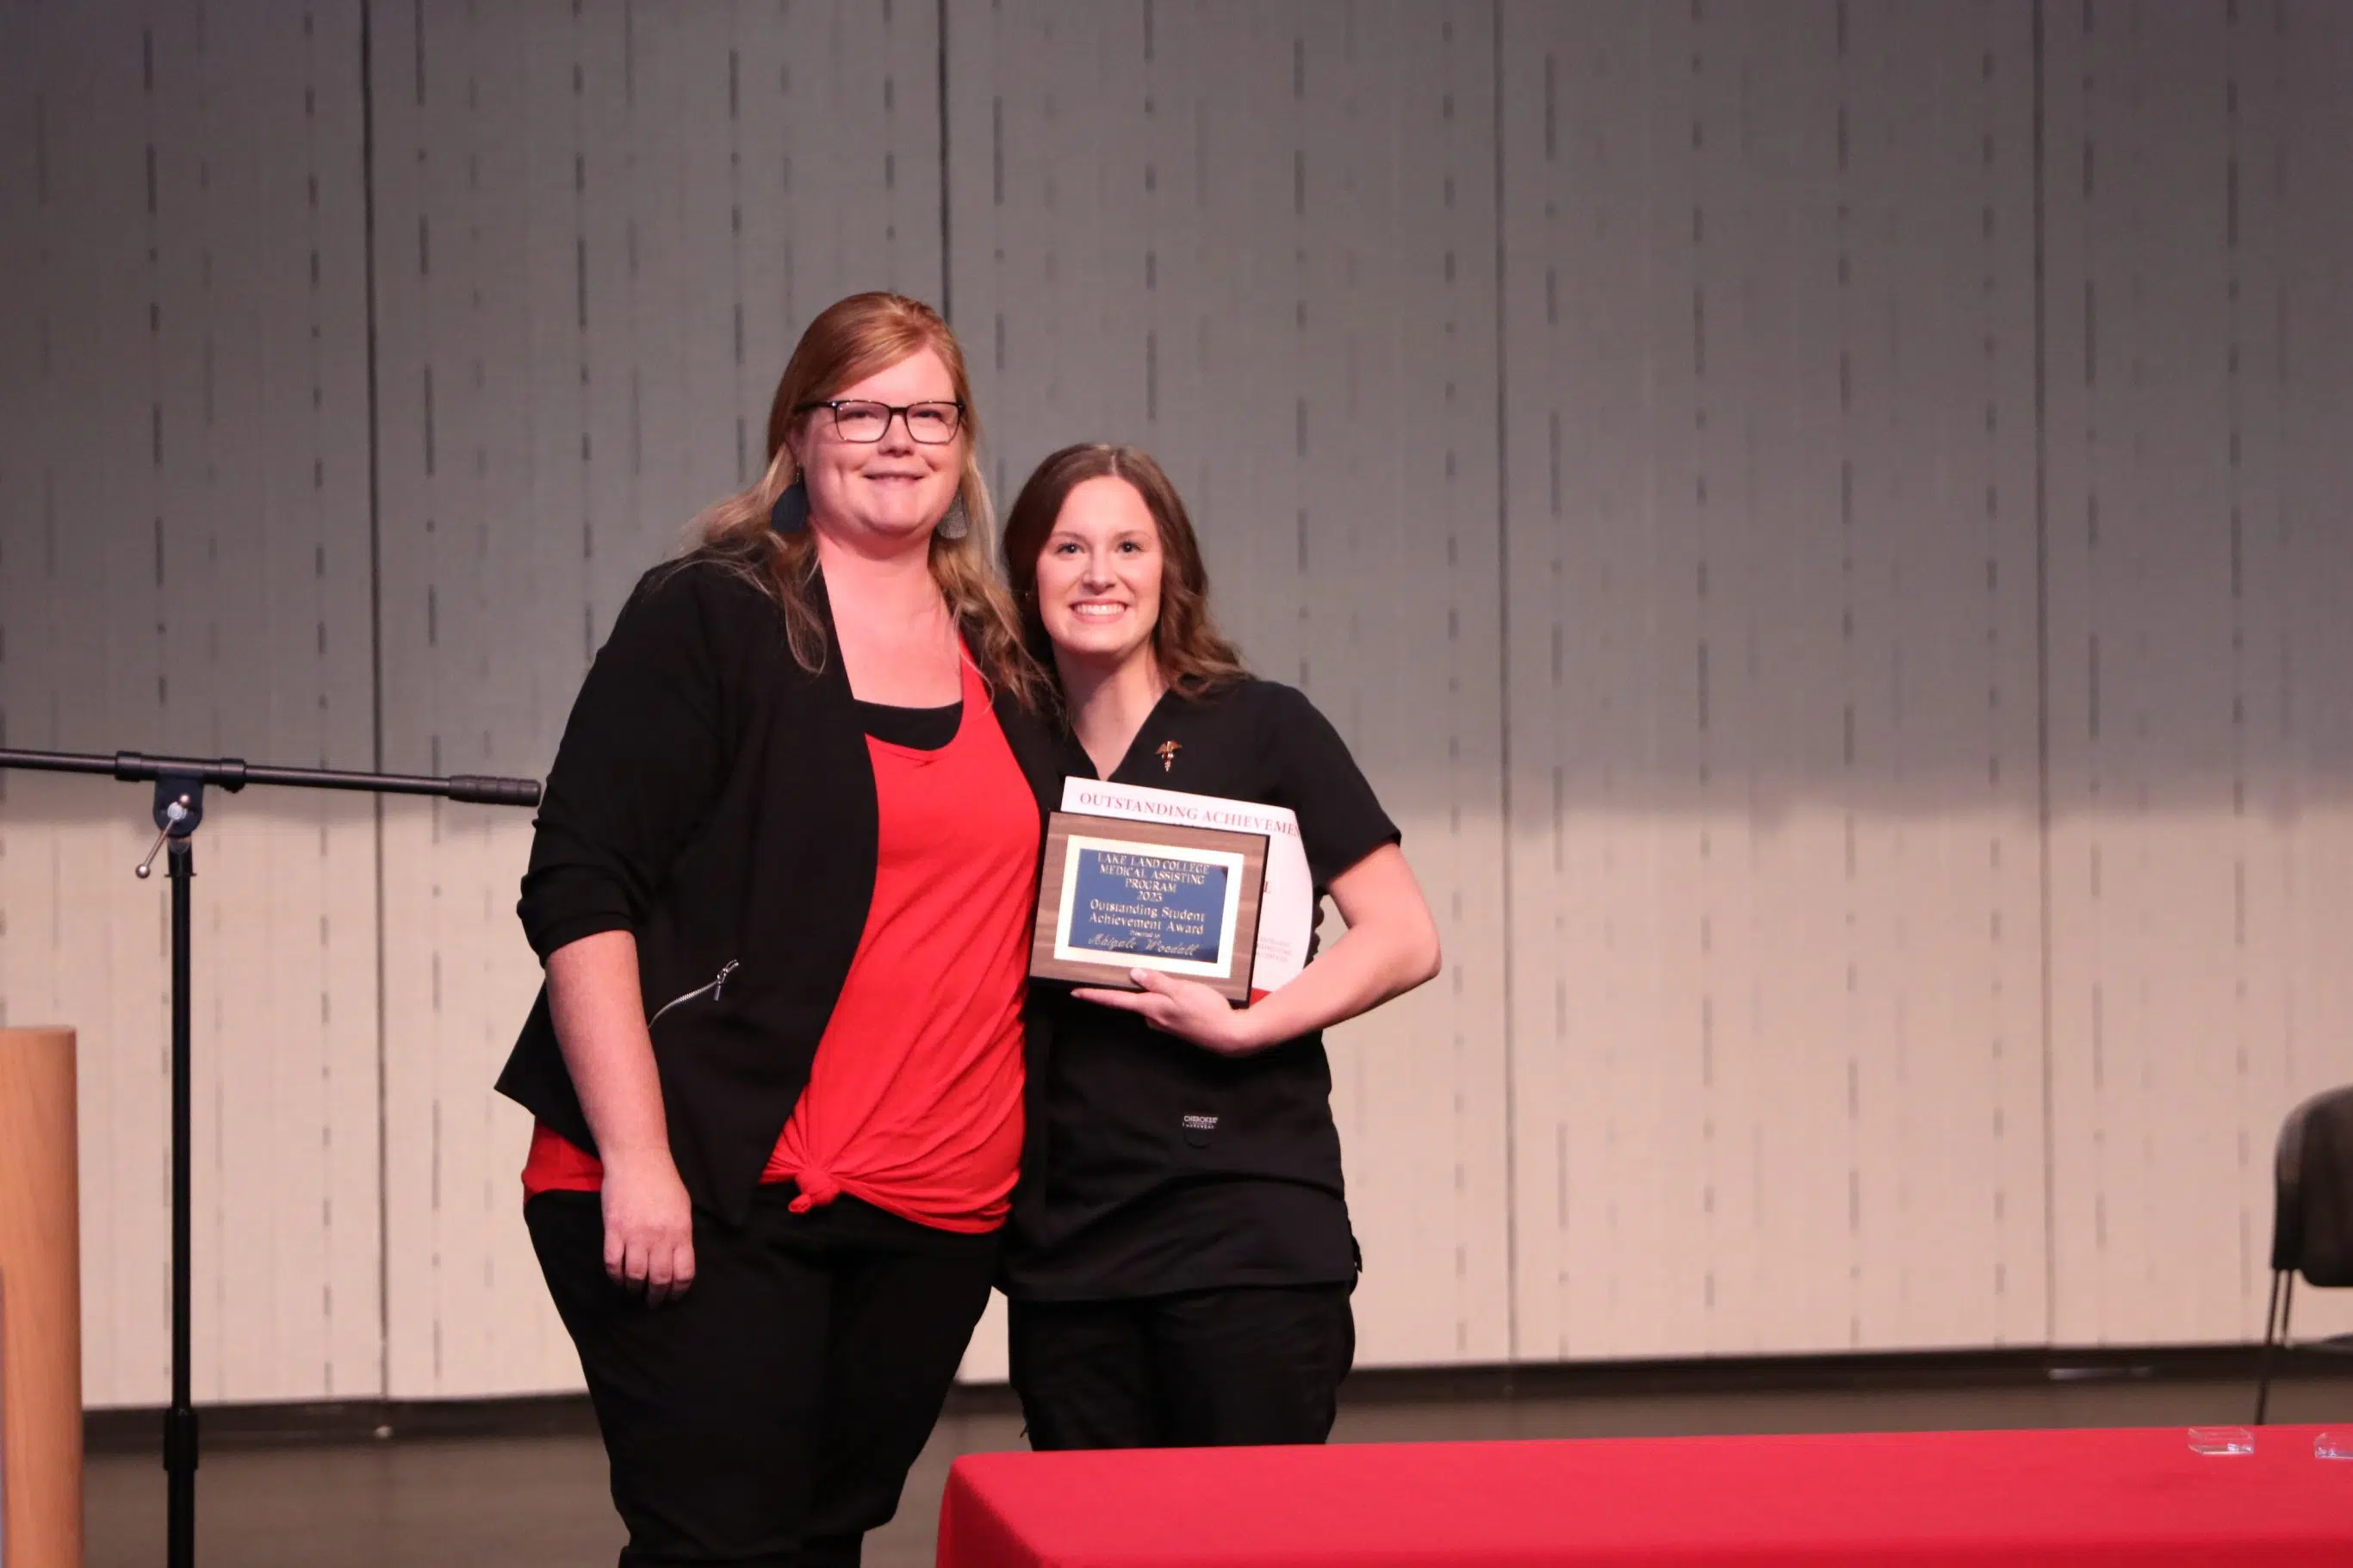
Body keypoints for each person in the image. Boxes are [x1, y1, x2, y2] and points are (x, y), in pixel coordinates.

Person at [494, 292, 1059, 1566]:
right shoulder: (714, 612)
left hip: (936, 1207)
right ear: (798, 432)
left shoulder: (1001, 652)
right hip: (711, 1179)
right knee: (720, 1545)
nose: (899, 439)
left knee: (821, 1540)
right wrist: (639, 1159)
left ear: (964, 440)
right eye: (861, 410)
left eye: (930, 413)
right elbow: (579, 887)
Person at [996, 443, 1443, 1450]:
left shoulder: (1262, 725)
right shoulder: (1005, 743)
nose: (1099, 573)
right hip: (1066, 1241)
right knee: (1086, 1529)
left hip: (1242, 1228)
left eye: (1128, 546)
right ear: (1026, 570)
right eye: (1067, 547)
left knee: (1247, 1525)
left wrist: (1248, 1027)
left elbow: (1403, 936)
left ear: (1172, 569)